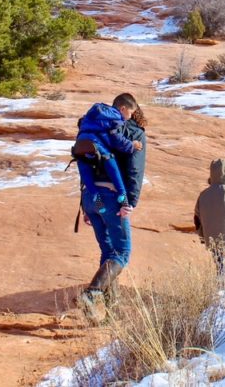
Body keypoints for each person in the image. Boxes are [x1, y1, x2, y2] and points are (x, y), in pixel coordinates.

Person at [78, 93, 147, 321]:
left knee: (108, 252)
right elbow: (132, 171)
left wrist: (87, 206)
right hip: (112, 197)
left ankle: (107, 312)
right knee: (122, 253)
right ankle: (93, 293)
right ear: (126, 109)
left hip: (92, 197)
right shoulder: (128, 133)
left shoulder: (90, 128)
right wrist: (128, 202)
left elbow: (85, 172)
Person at [74, 102, 142, 211]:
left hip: (80, 144)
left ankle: (95, 196)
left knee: (84, 169)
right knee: (111, 164)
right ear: (123, 108)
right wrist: (131, 145)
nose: (130, 117)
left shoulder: (95, 113)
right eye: (130, 113)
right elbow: (116, 139)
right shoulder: (115, 117)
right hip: (95, 144)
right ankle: (122, 194)